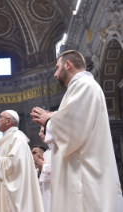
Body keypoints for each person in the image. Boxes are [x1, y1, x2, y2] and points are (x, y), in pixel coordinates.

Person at [30, 50, 123, 212]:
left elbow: (73, 126)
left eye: (57, 67)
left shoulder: (84, 85)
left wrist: (49, 120)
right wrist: (54, 118)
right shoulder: (80, 87)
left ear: (68, 64)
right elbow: (74, 120)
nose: (55, 73)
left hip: (85, 178)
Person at [0, 110, 44, 212]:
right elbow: (9, 167)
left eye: (0, 117)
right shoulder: (9, 139)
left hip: (12, 199)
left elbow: (15, 165)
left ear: (8, 121)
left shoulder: (17, 138)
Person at [35, 126, 52, 212]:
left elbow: (62, 172)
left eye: (42, 131)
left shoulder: (59, 150)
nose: (40, 134)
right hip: (45, 190)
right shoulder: (46, 153)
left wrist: (43, 167)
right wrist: (40, 169)